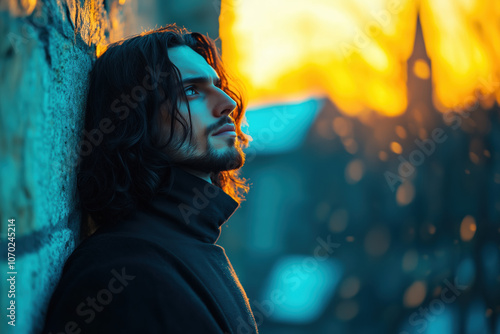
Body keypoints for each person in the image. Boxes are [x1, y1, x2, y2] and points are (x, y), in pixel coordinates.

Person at [42, 24, 259, 334]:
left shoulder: (193, 246)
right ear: (135, 119)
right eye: (191, 91)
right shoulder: (120, 274)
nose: (228, 103)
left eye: (217, 84)